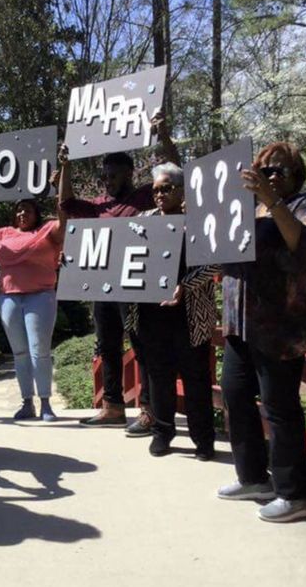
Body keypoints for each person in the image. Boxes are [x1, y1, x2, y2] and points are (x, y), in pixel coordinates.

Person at [217, 142, 306, 522]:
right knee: (235, 394)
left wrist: (269, 199)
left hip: (279, 329)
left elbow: (305, 247)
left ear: (296, 175)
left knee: (279, 408)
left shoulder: (301, 206)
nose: (269, 176)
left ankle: (295, 495)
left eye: (278, 170)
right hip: (240, 324)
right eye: (263, 169)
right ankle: (253, 478)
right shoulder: (245, 210)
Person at [58, 114, 180, 434]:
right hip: (103, 286)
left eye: (114, 174)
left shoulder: (142, 196)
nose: (109, 180)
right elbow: (66, 202)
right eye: (105, 175)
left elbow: (176, 171)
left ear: (129, 173)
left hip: (136, 285)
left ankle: (150, 410)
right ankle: (112, 407)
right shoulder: (97, 205)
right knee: (107, 345)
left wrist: (162, 134)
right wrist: (67, 165)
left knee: (142, 346)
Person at [127, 163, 217, 459]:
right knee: (159, 378)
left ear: (181, 190)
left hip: (190, 314)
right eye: (155, 190)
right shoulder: (142, 221)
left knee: (197, 380)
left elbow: (217, 262)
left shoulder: (201, 221)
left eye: (166, 188)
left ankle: (203, 440)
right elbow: (119, 254)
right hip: (152, 315)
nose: (159, 195)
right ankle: (162, 433)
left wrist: (186, 286)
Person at [0, 199, 65, 421]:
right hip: (9, 298)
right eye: (18, 210)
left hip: (40, 296)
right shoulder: (4, 233)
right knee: (19, 352)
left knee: (39, 351)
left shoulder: (46, 230)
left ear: (36, 214)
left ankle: (46, 403)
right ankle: (26, 402)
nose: (22, 213)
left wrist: (60, 191)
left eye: (28, 210)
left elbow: (64, 222)